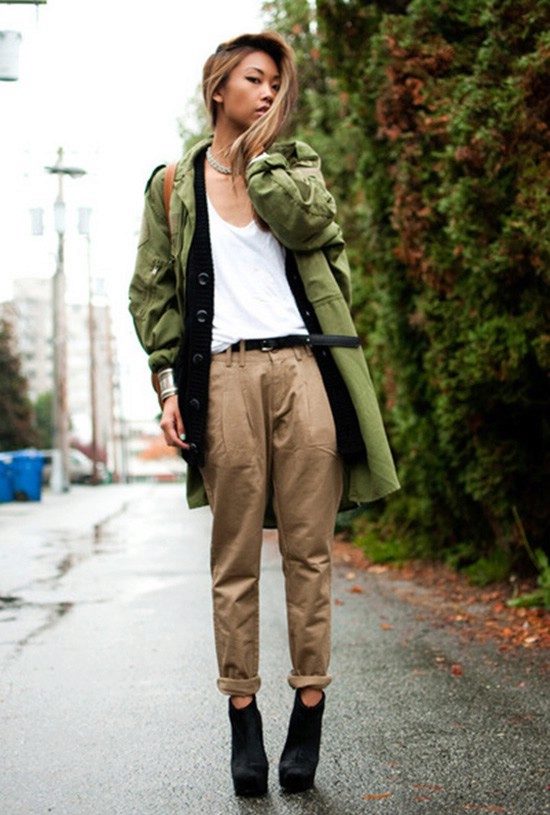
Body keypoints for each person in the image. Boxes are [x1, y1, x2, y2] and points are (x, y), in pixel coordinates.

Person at [129, 30, 400, 797]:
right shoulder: (172, 187)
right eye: (255, 79)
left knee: (310, 551)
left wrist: (264, 160)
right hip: (221, 377)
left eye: (277, 83)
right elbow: (152, 292)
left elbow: (316, 232)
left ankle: (308, 705)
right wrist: (167, 387)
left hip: (301, 370)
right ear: (219, 87)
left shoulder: (293, 166)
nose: (269, 91)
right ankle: (242, 714)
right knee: (235, 558)